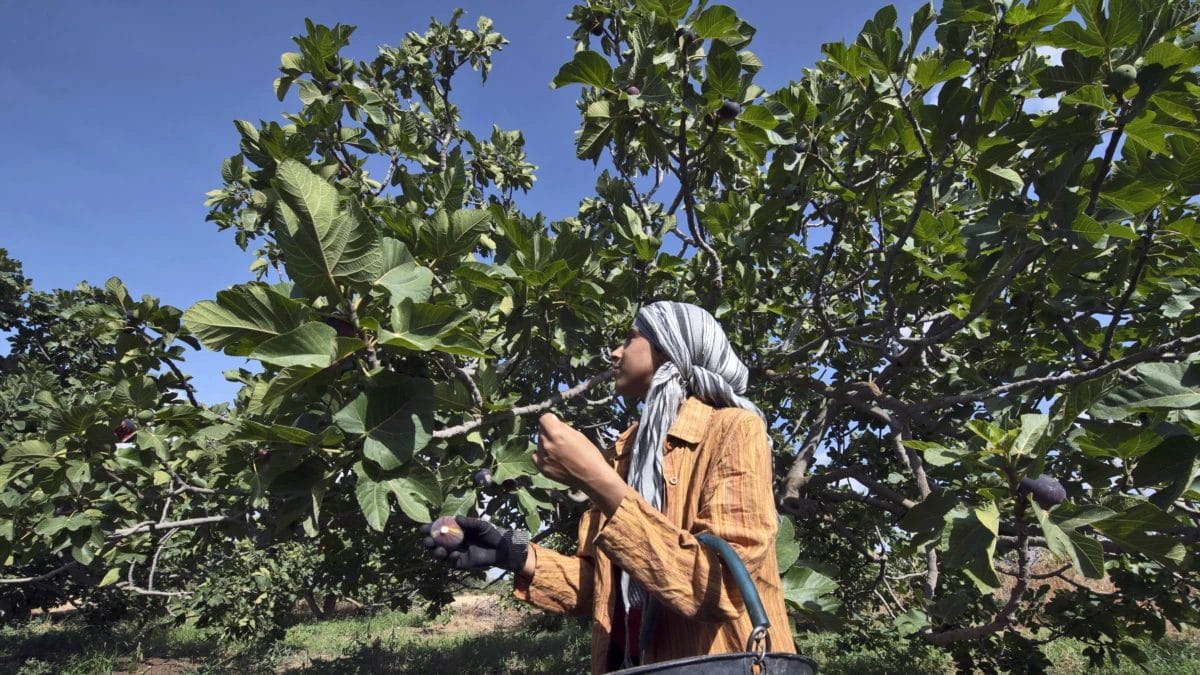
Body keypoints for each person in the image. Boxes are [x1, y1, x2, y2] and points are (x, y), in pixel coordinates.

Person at [421, 301, 795, 673]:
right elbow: (604, 589)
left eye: (631, 338)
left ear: (669, 348)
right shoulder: (628, 449)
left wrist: (597, 480)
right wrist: (513, 553)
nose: (615, 352)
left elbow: (722, 587)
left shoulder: (735, 429)